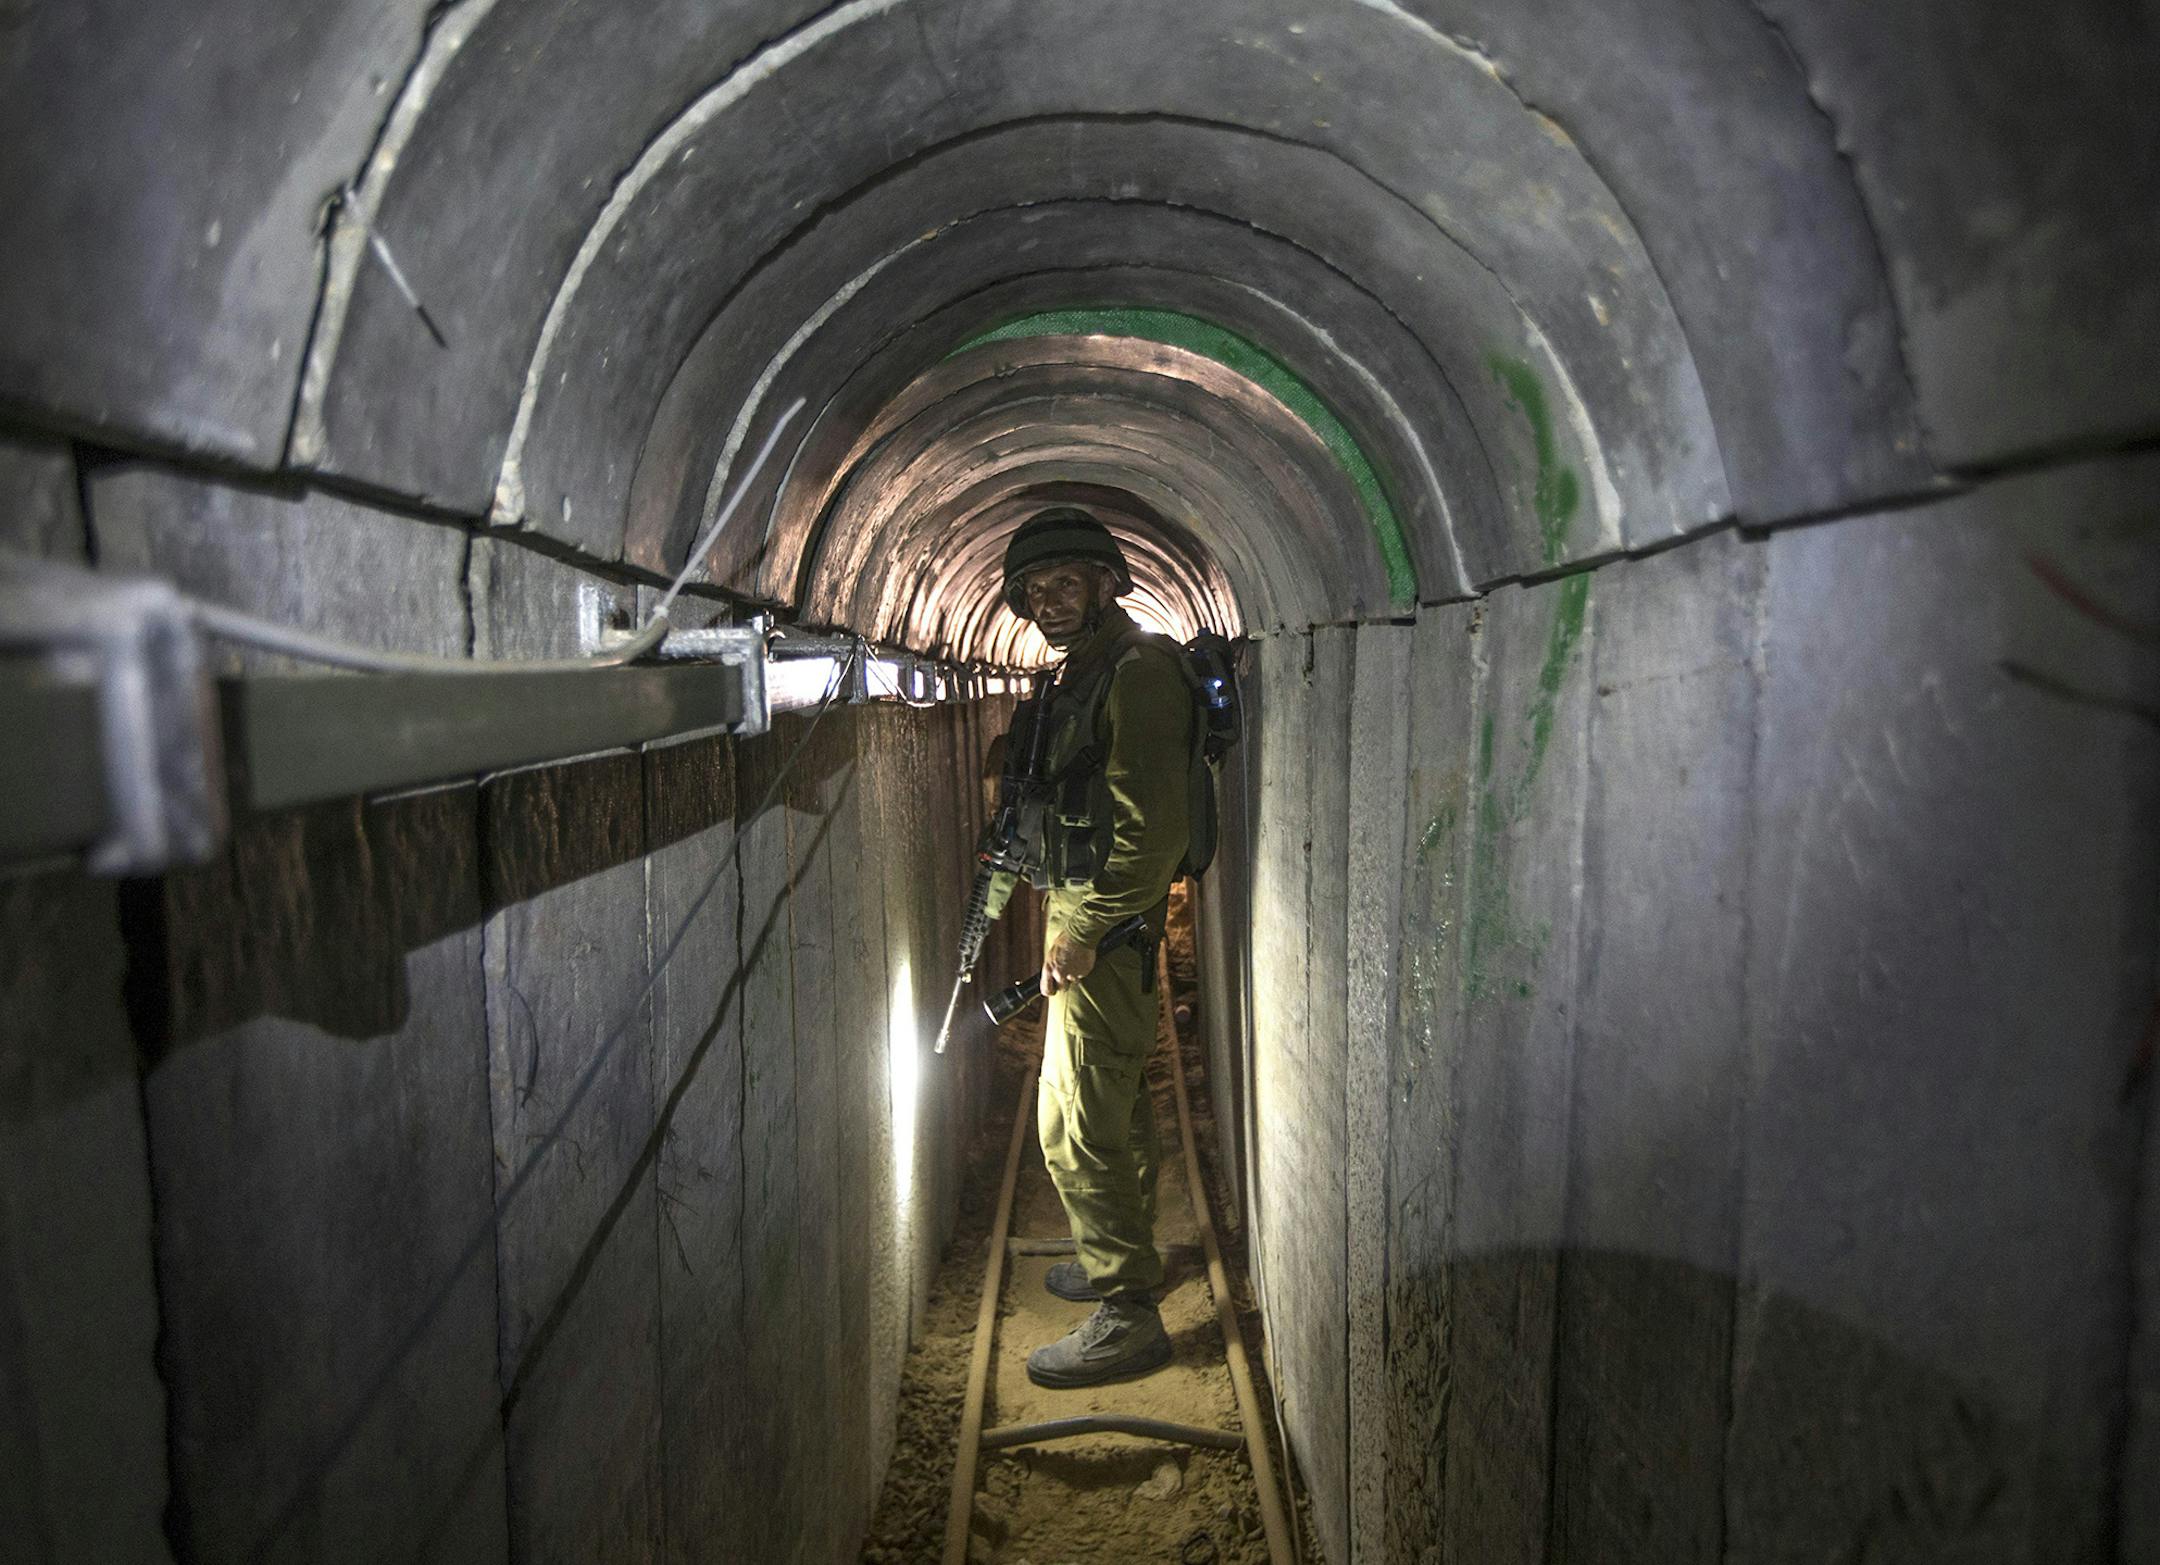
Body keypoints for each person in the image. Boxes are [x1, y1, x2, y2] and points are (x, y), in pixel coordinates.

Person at [1001, 506, 1193, 1389]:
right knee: (1097, 1103)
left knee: (1075, 1124)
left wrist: (1083, 931)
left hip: (1105, 922)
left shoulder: (1138, 671)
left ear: (1107, 582)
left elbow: (1153, 837)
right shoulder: (1086, 670)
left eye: (1065, 583)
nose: (1048, 601)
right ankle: (1121, 1255)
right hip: (1085, 912)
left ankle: (1126, 1311)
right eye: (1035, 590)